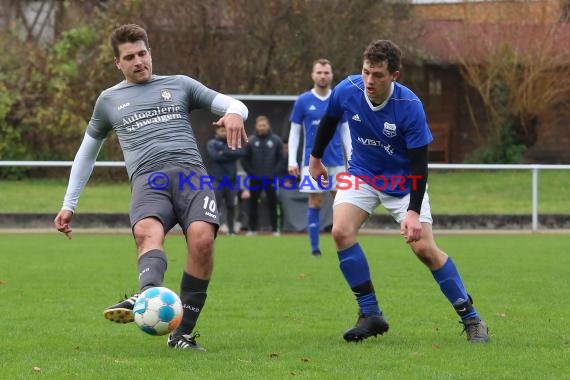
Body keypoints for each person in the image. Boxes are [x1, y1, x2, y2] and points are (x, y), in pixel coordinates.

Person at [53, 24, 248, 351]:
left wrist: (234, 115)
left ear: (150, 52)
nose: (138, 61)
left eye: (142, 53)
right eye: (129, 57)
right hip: (148, 179)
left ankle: (181, 334)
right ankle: (148, 293)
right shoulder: (109, 101)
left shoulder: (181, 85)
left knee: (202, 239)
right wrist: (69, 203)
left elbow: (234, 105)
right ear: (118, 63)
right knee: (146, 232)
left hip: (190, 175)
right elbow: (86, 153)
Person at [308, 40, 489, 343]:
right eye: (366, 72)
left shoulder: (410, 107)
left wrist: (414, 212)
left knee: (424, 250)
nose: (369, 81)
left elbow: (420, 166)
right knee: (340, 231)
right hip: (362, 174)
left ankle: (471, 318)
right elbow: (328, 121)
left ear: (395, 75)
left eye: (377, 75)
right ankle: (370, 314)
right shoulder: (348, 89)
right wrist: (315, 160)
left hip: (404, 184)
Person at [288, 58, 351, 257]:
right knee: (314, 202)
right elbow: (295, 132)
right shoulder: (303, 101)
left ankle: (342, 246)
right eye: (319, 72)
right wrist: (292, 160)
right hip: (311, 162)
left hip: (337, 163)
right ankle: (315, 249)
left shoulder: (338, 99)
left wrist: (352, 159)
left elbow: (346, 132)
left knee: (340, 204)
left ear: (332, 75)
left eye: (326, 72)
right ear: (313, 75)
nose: (323, 76)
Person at [241, 115, 283, 235]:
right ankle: (252, 229)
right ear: (256, 126)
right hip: (255, 178)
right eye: (260, 125)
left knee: (273, 203)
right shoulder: (251, 140)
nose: (262, 127)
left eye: (264, 125)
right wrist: (251, 173)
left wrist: (275, 172)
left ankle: (275, 230)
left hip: (271, 178)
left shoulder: (276, 140)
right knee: (253, 203)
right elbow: (244, 159)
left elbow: (281, 158)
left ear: (268, 126)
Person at [207, 125, 243, 235]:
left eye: (225, 130)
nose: (223, 132)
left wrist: (223, 152)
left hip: (231, 180)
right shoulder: (212, 143)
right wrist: (229, 153)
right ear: (217, 131)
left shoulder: (233, 142)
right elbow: (214, 156)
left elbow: (239, 153)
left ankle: (231, 230)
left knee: (231, 205)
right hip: (217, 179)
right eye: (221, 130)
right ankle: (214, 230)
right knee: (215, 206)